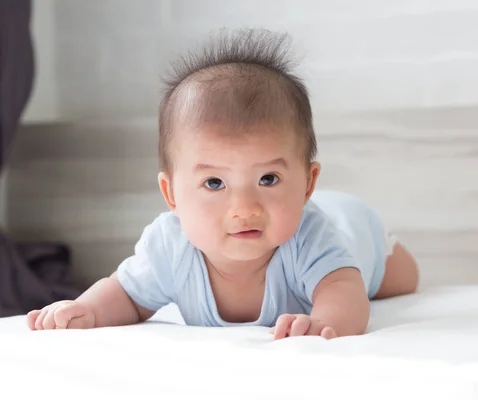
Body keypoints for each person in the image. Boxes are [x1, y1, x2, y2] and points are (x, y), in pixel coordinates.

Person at [27, 29, 419, 339]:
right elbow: (127, 295)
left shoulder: (309, 235)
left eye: (268, 179)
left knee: (402, 280)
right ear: (171, 195)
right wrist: (88, 309)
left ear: (306, 184)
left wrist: (325, 323)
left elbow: (344, 292)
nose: (244, 208)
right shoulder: (170, 245)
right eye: (214, 183)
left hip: (354, 226)